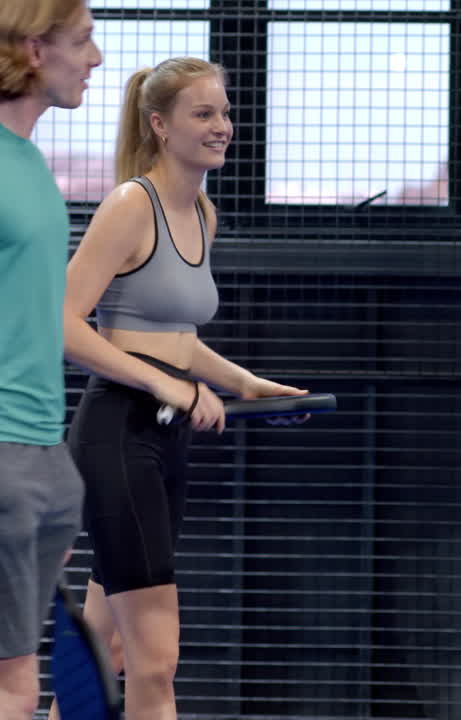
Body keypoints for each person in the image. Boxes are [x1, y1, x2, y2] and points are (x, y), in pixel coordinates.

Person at [54, 57, 306, 720]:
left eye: (224, 112)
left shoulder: (200, 211)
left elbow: (175, 335)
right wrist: (169, 388)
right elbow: (65, 325)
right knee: (155, 660)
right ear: (160, 125)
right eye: (203, 114)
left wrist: (244, 383)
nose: (222, 126)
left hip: (167, 439)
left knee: (107, 648)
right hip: (119, 434)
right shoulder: (130, 205)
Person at [0, 2, 99, 718]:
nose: (95, 59)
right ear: (35, 50)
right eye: (83, 41)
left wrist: (53, 477)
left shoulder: (30, 163)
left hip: (41, 457)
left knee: (16, 679)